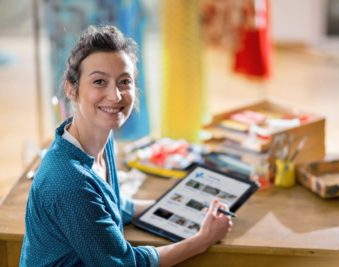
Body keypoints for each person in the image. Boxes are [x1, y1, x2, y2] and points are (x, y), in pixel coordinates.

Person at [20, 25, 232, 267]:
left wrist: (179, 204)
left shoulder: (100, 136)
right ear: (72, 89)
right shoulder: (69, 181)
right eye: (99, 81)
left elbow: (110, 204)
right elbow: (124, 264)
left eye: (124, 82)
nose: (116, 96)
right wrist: (203, 239)